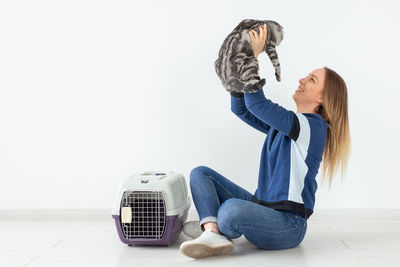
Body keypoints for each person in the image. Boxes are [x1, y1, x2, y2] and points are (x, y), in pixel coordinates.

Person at [180, 24, 351, 259]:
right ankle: (212, 230)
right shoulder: (288, 125)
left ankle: (214, 226)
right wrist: (235, 67)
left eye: (311, 79)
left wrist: (252, 55)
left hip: (288, 224)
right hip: (262, 208)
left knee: (229, 211)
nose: (302, 80)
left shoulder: (314, 127)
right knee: (201, 174)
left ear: (322, 98)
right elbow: (241, 109)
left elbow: (257, 104)